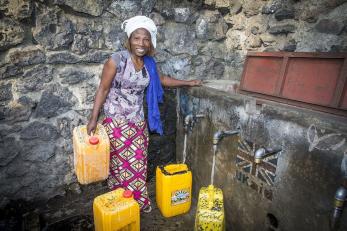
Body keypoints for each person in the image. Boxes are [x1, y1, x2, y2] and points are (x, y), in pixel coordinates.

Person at [86, 15, 202, 213]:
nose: (141, 43)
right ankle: (119, 206)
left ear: (151, 42)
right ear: (129, 39)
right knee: (119, 167)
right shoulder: (116, 60)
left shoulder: (149, 63)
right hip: (116, 124)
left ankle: (136, 204)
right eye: (137, 38)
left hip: (138, 123)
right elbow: (103, 90)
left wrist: (187, 82)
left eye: (146, 39)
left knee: (138, 165)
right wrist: (93, 119)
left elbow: (162, 79)